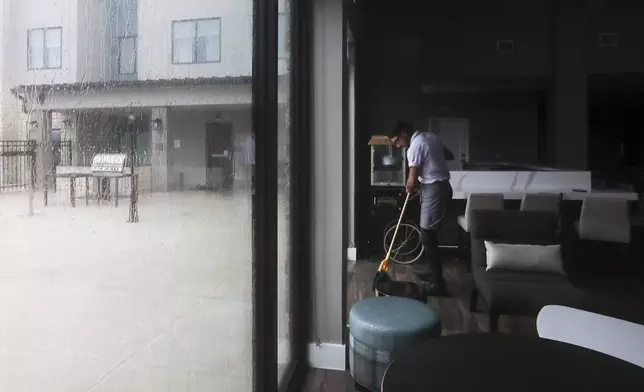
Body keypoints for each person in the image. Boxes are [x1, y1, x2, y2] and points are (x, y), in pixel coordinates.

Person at [387, 121, 454, 296]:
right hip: (442, 187)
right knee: (430, 234)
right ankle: (434, 276)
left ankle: (439, 285)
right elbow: (449, 155)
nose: (396, 145)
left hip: (434, 190)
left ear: (403, 133)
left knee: (427, 235)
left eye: (396, 141)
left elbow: (411, 180)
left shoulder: (414, 147)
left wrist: (409, 187)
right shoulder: (431, 137)